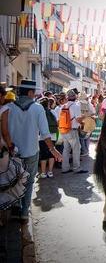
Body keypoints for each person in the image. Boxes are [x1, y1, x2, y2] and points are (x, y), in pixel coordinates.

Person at [1, 80, 62, 223]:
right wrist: (53, 150)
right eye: (33, 92)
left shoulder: (8, 108)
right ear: (29, 93)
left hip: (13, 153)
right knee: (28, 183)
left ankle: (16, 208)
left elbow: (4, 132)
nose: (35, 95)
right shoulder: (38, 108)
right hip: (31, 152)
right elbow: (45, 134)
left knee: (14, 182)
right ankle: (24, 213)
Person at [60, 89, 85, 174]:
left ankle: (65, 168)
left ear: (67, 98)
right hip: (72, 130)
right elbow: (78, 119)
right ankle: (76, 168)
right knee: (76, 149)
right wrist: (83, 120)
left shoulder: (63, 106)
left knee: (66, 149)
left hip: (64, 130)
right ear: (74, 97)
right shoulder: (76, 106)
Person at [38, 97, 58, 178]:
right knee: (51, 154)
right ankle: (50, 172)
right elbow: (57, 122)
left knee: (43, 155)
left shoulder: (40, 112)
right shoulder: (53, 112)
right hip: (52, 136)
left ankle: (43, 173)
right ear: (49, 104)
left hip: (42, 137)